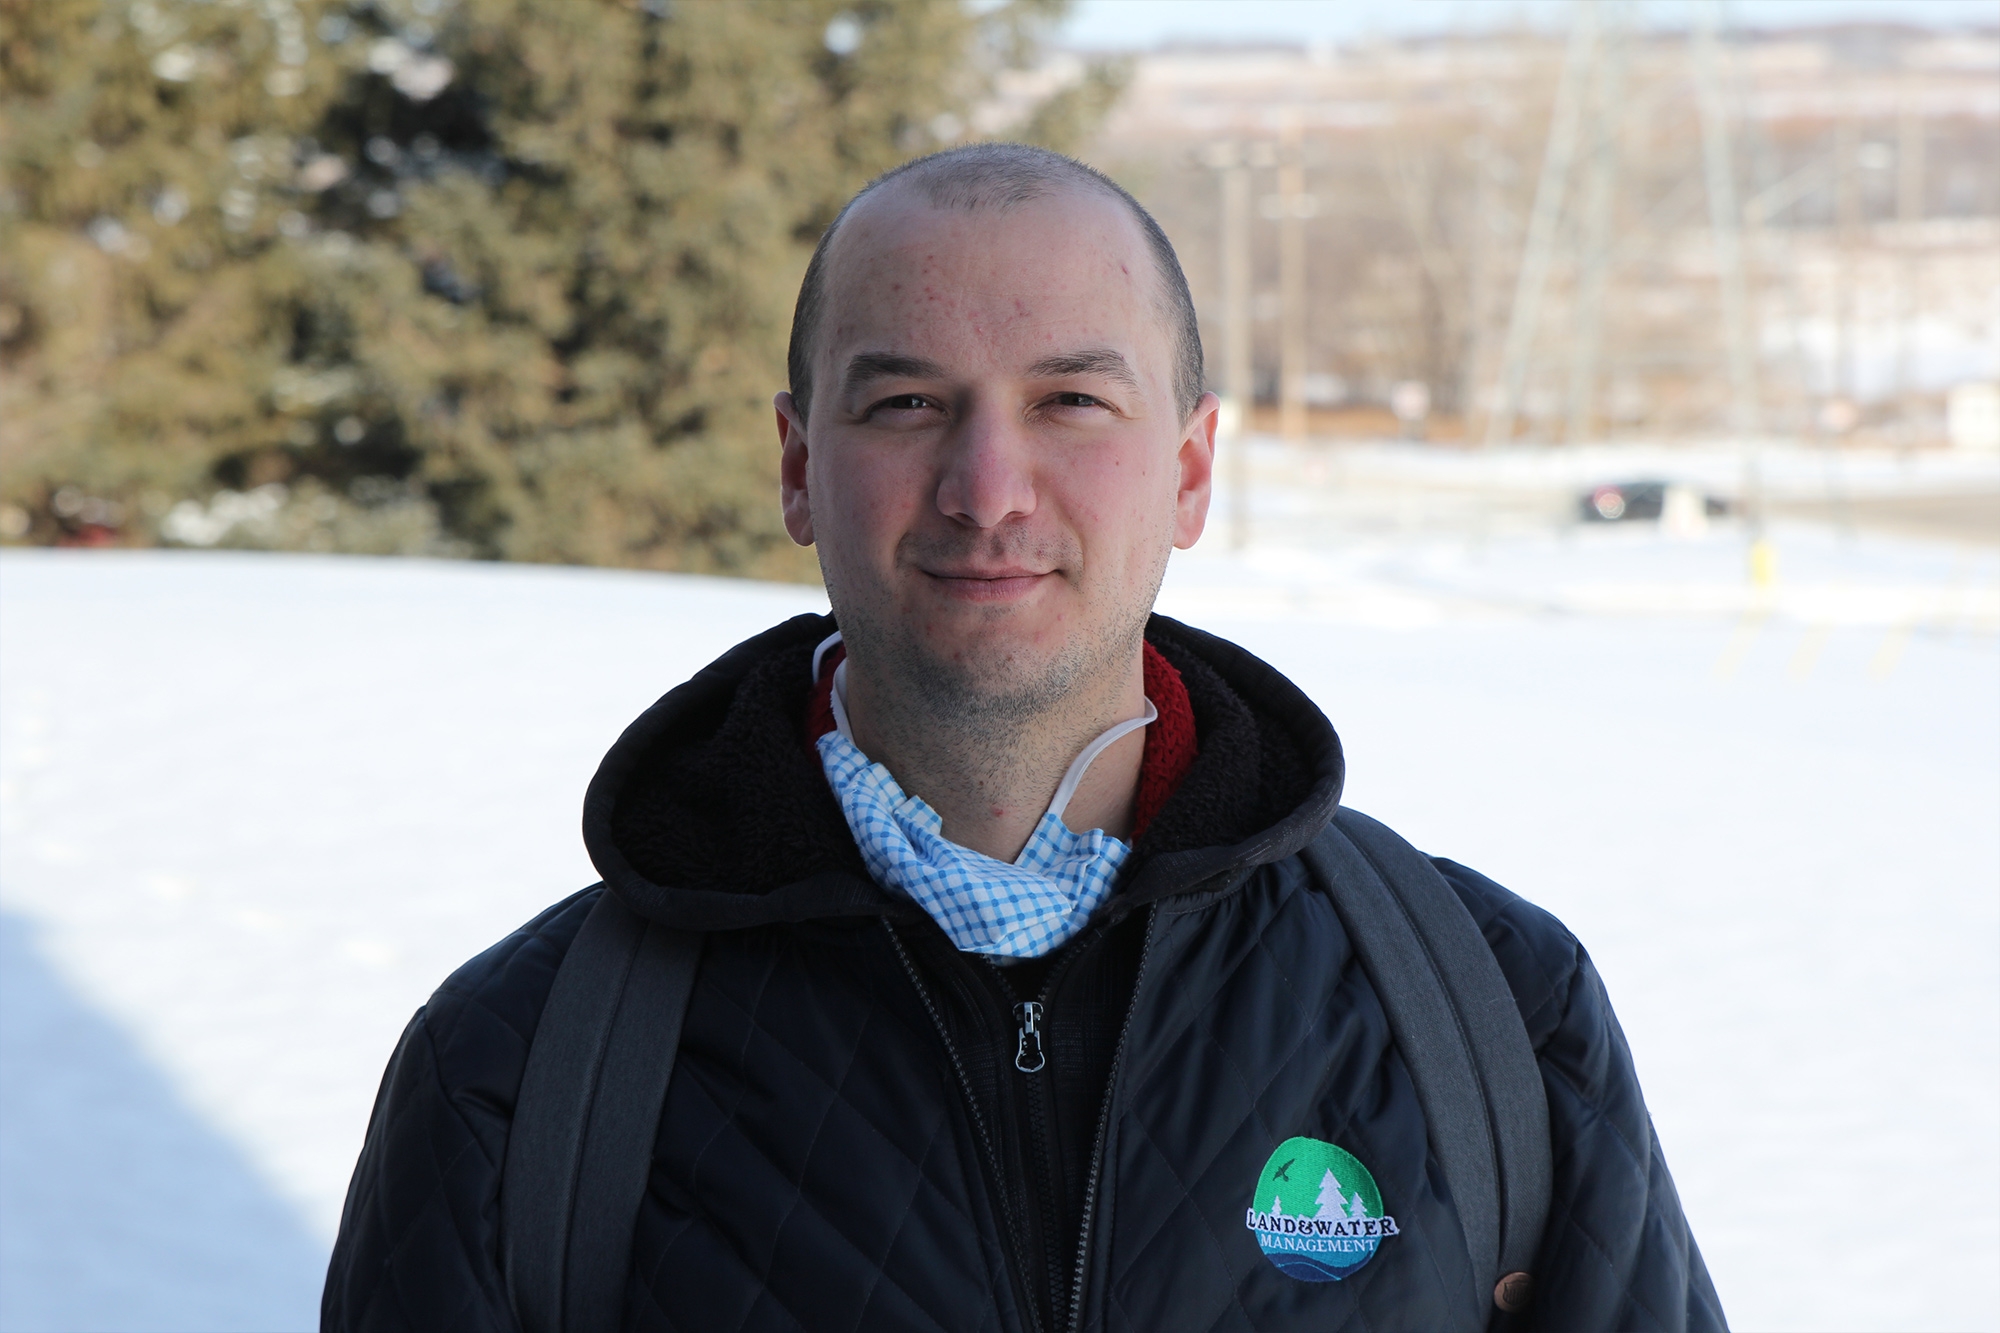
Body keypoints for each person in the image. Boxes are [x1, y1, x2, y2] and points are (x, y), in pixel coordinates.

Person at [323, 143, 1724, 1333]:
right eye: (907, 403)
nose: (988, 490)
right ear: (801, 467)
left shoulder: (1490, 1014)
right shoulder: (526, 1070)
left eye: (1069, 401)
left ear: (1187, 469)